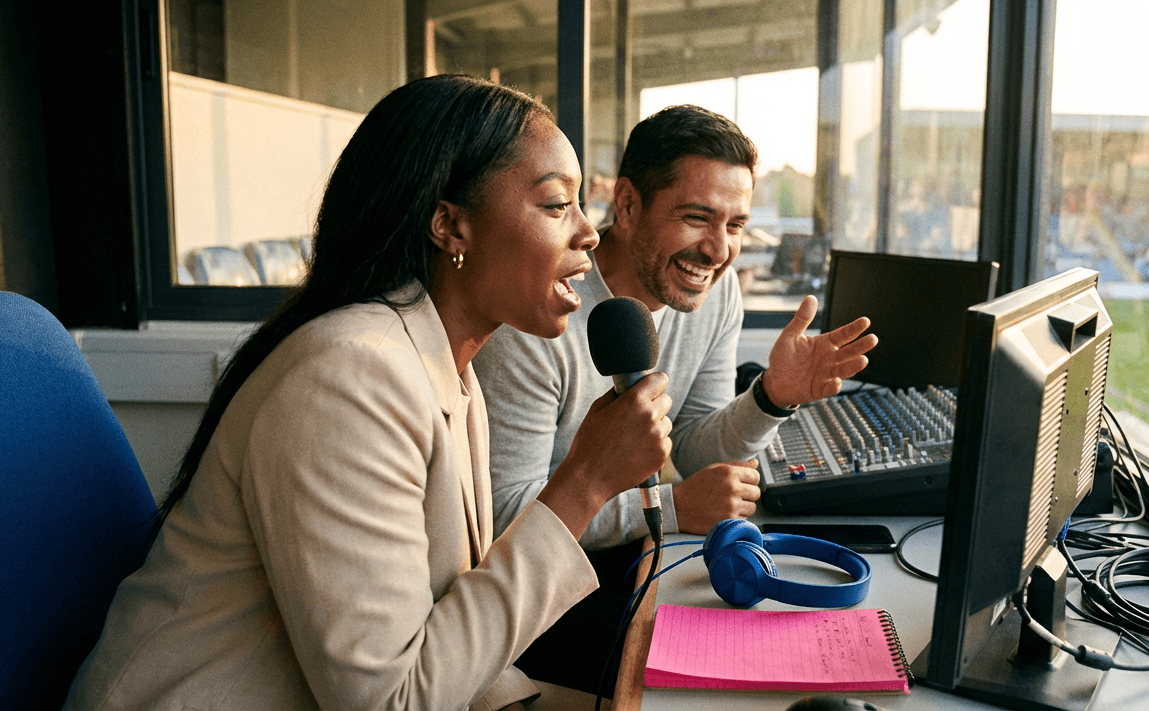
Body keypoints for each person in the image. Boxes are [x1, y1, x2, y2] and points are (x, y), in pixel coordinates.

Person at [64, 75, 672, 711]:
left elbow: (450, 622)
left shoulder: (451, 368)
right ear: (450, 225)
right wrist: (583, 486)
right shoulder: (348, 378)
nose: (589, 232)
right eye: (555, 206)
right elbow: (391, 701)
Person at [471, 104, 877, 692]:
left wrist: (769, 397)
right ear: (629, 206)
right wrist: (673, 507)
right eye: (697, 218)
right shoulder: (537, 315)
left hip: (633, 551)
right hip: (537, 591)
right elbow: (506, 515)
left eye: (735, 225)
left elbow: (689, 444)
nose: (718, 250)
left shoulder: (713, 295)